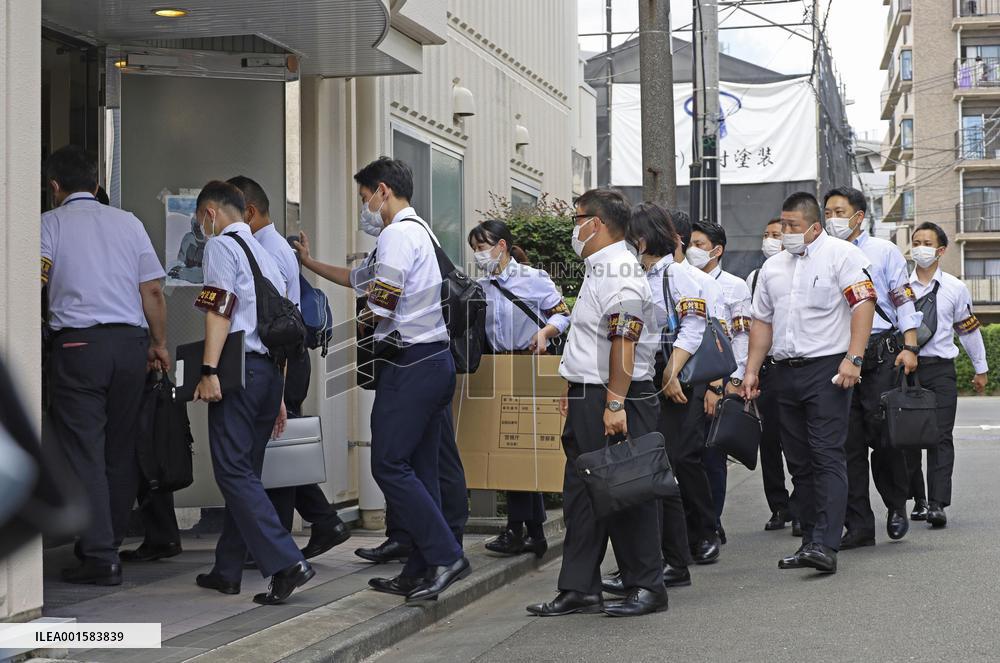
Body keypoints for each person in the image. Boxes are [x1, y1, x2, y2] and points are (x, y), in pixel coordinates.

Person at [296, 157, 469, 601]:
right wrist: (310, 262)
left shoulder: (396, 235)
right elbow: (360, 280)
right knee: (422, 471)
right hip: (433, 363)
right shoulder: (420, 232)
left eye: (364, 197)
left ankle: (446, 556)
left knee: (388, 464)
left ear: (382, 192)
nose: (364, 207)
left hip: (410, 364)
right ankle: (420, 567)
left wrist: (358, 323)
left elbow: (383, 300)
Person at [528, 189, 667, 618]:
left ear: (597, 223)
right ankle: (579, 587)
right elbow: (592, 340)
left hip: (618, 395)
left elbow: (624, 340)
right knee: (582, 496)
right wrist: (577, 388)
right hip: (592, 393)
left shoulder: (620, 271)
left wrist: (614, 403)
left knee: (627, 490)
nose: (574, 228)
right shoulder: (599, 268)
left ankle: (647, 585)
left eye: (577, 219)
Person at [41, 145, 169, 586]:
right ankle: (108, 542)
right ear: (96, 184)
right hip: (131, 346)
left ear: (54, 186)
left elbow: (33, 281)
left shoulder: (49, 224)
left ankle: (99, 557)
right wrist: (158, 344)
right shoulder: (129, 222)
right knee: (119, 448)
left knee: (85, 451)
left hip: (79, 347)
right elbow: (152, 290)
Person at [191, 180, 314, 605]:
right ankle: (227, 570)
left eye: (200, 219)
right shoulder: (269, 253)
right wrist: (277, 395)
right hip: (269, 375)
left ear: (210, 213)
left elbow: (219, 310)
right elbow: (281, 325)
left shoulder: (220, 246)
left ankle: (287, 562)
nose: (202, 227)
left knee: (232, 472)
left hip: (238, 371)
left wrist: (208, 370)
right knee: (245, 473)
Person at [742, 192, 876, 575]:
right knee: (798, 461)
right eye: (782, 224)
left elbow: (863, 304)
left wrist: (854, 358)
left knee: (826, 454)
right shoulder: (772, 269)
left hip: (827, 370)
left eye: (793, 226)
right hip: (784, 371)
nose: (785, 232)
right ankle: (809, 540)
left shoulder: (842, 256)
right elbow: (762, 322)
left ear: (814, 227)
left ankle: (826, 544)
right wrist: (751, 370)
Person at [228, 175, 352, 559]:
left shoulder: (267, 248)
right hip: (286, 356)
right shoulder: (271, 245)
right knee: (278, 446)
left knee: (276, 448)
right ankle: (323, 522)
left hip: (283, 357)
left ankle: (279, 543)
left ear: (249, 212)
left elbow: (276, 316)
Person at [603, 202, 710, 596]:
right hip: (648, 377)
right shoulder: (640, 274)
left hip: (671, 379)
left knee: (659, 471)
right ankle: (660, 561)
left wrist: (672, 372)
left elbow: (694, 327)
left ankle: (669, 562)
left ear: (642, 240)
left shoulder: (678, 275)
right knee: (655, 470)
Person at [823, 187, 921, 549]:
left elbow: (902, 298)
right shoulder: (823, 254)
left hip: (880, 354)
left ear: (859, 216)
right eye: (827, 212)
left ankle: (896, 505)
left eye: (839, 212)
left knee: (885, 438)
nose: (832, 219)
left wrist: (910, 346)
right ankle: (859, 524)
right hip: (837, 354)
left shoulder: (883, 251)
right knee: (846, 443)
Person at [469, 220, 570, 558]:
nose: (478, 254)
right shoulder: (480, 286)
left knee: (526, 446)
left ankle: (519, 531)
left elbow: (563, 315)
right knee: (511, 446)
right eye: (474, 249)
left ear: (501, 246)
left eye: (482, 247)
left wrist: (544, 333)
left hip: (531, 366)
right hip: (498, 367)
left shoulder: (533, 278)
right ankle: (531, 533)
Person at [905, 222, 989, 528]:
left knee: (940, 436)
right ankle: (918, 499)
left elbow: (967, 330)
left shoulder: (955, 288)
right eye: (916, 242)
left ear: (940, 251)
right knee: (906, 437)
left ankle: (937, 503)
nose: (920, 248)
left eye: (927, 243)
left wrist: (980, 368)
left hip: (940, 370)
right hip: (906, 369)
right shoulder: (900, 286)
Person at [664, 209, 725, 559]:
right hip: (656, 378)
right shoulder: (646, 277)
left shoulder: (700, 281)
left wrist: (715, 386)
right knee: (664, 460)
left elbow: (715, 336)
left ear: (675, 239)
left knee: (687, 456)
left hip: (694, 378)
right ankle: (675, 538)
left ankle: (705, 529)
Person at [689, 221, 752, 541]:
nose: (692, 250)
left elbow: (741, 336)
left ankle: (712, 521)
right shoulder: (684, 279)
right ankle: (697, 521)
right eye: (690, 244)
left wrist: (736, 379)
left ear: (717, 250)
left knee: (713, 454)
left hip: (720, 375)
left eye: (699, 244)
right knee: (689, 453)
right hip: (689, 375)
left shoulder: (734, 286)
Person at [746, 218, 798, 534]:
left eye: (776, 235)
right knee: (768, 442)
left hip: (793, 365)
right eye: (766, 234)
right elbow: (754, 326)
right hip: (766, 368)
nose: (770, 240)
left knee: (796, 438)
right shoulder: (756, 277)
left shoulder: (801, 271)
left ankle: (801, 503)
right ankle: (778, 505)